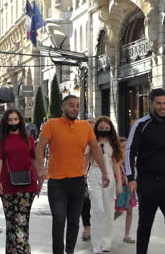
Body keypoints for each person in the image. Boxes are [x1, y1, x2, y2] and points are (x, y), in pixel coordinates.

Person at [35, 95, 110, 254]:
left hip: (77, 181)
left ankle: (69, 251)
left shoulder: (85, 126)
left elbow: (95, 149)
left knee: (74, 222)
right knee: (59, 220)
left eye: (77, 105)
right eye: (71, 105)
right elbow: (40, 147)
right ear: (63, 107)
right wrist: (41, 169)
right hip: (57, 183)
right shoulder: (51, 124)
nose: (75, 108)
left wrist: (104, 172)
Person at [125, 88, 165, 254]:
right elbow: (129, 152)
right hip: (147, 183)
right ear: (151, 104)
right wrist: (131, 178)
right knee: (145, 224)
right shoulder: (140, 125)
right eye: (158, 103)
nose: (162, 107)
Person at [0, 109, 39, 253]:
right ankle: (12, 250)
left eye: (15, 119)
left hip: (28, 184)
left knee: (22, 221)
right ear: (6, 122)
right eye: (10, 120)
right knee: (11, 222)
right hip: (6, 185)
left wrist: (39, 180)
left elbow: (34, 160)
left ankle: (23, 250)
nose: (13, 122)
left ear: (20, 121)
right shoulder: (1, 140)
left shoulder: (28, 139)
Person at [86, 116, 123, 253]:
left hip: (110, 179)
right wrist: (82, 175)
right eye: (101, 128)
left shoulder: (113, 144)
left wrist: (119, 182)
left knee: (108, 211)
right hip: (94, 175)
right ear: (97, 128)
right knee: (97, 210)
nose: (104, 130)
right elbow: (86, 160)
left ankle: (106, 242)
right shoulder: (91, 142)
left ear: (111, 129)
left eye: (107, 128)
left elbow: (115, 165)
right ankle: (96, 244)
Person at [114, 137, 137, 245]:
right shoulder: (116, 158)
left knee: (129, 211)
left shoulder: (130, 158)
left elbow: (134, 171)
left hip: (129, 187)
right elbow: (116, 167)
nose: (125, 149)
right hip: (120, 187)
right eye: (123, 147)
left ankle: (126, 235)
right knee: (119, 211)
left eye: (126, 147)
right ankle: (105, 226)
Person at [81, 117, 96, 241]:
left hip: (98, 175)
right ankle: (87, 227)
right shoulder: (81, 140)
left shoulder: (100, 140)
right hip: (83, 174)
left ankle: (97, 226)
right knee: (85, 202)